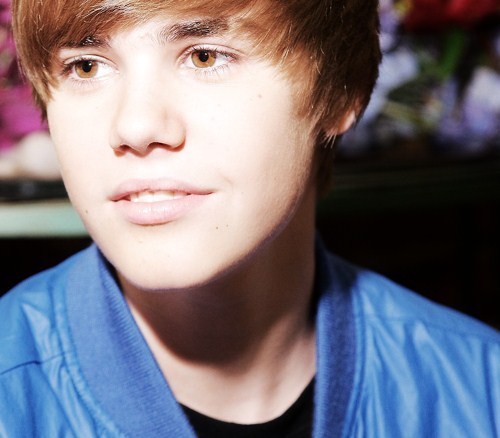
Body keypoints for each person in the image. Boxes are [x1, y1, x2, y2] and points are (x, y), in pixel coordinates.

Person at [0, 0, 498, 436]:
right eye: (86, 66)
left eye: (204, 56)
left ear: (339, 89)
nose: (135, 126)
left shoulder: (481, 391)